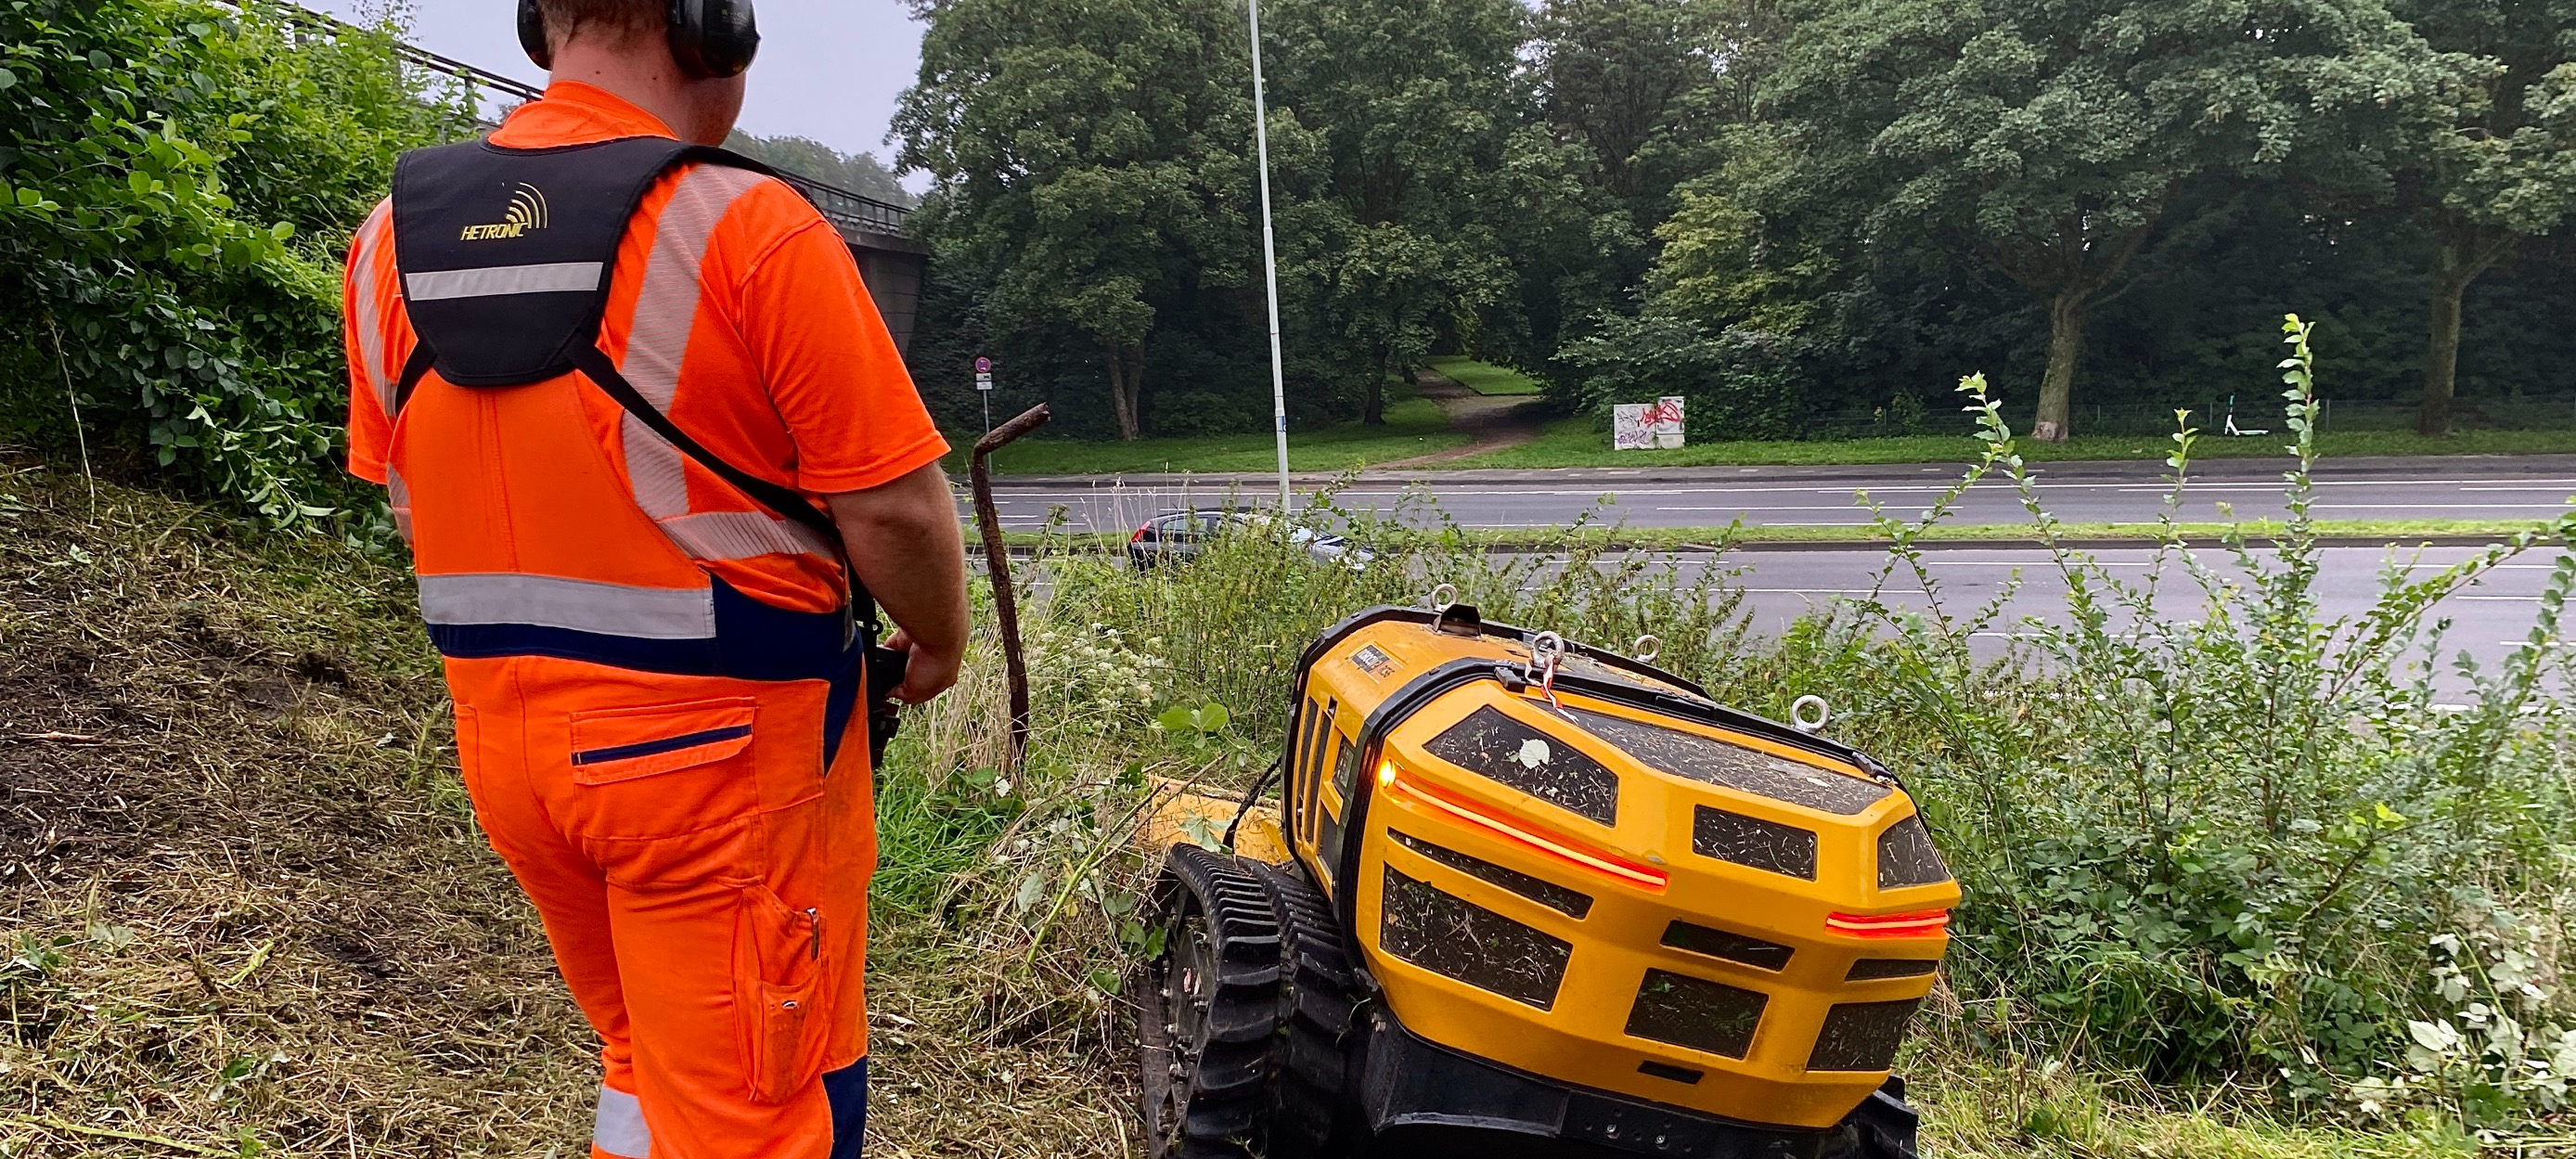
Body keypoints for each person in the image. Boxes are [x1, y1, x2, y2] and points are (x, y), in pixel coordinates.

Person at [339, 1, 969, 1155]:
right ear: (709, 31)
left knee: (641, 1055)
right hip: (713, 774)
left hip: (510, 761)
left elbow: (408, 486)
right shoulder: (747, 227)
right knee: (758, 1108)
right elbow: (888, 503)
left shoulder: (388, 242)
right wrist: (937, 641)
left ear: (542, 29)